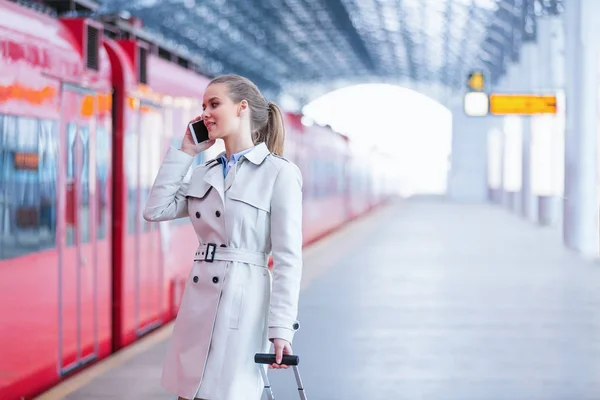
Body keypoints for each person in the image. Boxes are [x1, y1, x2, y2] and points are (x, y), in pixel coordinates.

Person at [143, 74, 303, 400]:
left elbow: (288, 259)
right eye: (203, 106)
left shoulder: (278, 173)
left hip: (242, 304)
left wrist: (281, 329)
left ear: (242, 107)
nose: (205, 113)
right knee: (188, 393)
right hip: (197, 305)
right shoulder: (205, 171)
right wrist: (186, 151)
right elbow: (156, 210)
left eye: (214, 104)